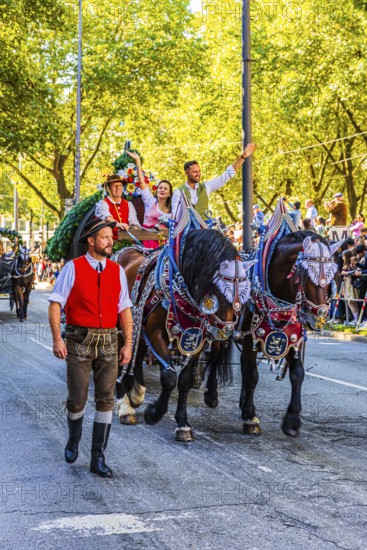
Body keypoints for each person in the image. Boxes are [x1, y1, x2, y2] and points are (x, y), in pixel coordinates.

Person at [48, 218, 133, 478]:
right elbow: (55, 305)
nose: (111, 241)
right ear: (92, 241)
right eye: (106, 237)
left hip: (109, 341)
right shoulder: (72, 268)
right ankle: (74, 441)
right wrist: (57, 339)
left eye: (111, 237)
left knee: (106, 400)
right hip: (79, 340)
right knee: (77, 399)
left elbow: (125, 310)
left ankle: (98, 457)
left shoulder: (117, 271)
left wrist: (128, 344)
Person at [171, 143, 257, 219]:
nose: (198, 174)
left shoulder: (206, 187)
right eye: (194, 172)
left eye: (199, 171)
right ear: (186, 173)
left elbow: (226, 175)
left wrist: (243, 156)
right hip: (187, 232)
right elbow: (174, 215)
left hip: (204, 230)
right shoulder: (178, 192)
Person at [126, 151, 173, 248]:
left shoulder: (173, 210)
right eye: (160, 188)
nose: (162, 190)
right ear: (157, 191)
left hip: (166, 241)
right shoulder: (150, 201)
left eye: (165, 189)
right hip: (148, 238)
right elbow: (142, 183)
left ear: (169, 194)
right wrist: (138, 162)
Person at [95, 174, 140, 239]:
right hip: (109, 241)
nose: (117, 188)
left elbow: (134, 222)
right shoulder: (102, 203)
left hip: (127, 240)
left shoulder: (128, 204)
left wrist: (134, 227)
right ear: (109, 189)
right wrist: (118, 224)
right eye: (114, 186)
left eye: (120, 185)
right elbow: (107, 217)